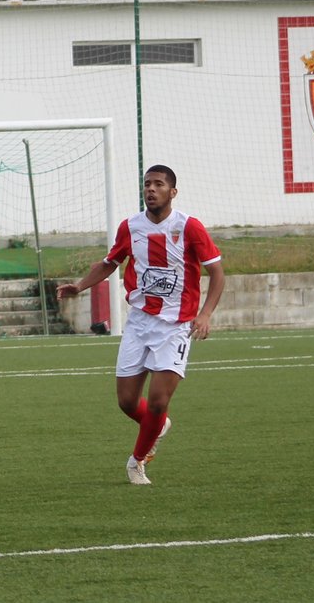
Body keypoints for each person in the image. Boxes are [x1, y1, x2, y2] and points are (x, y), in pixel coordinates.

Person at [56, 165, 224, 485]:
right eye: (147, 184)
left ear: (172, 192)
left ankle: (137, 462)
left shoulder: (189, 227)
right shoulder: (131, 227)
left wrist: (205, 314)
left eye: (158, 184)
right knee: (127, 401)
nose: (151, 189)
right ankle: (157, 425)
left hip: (175, 325)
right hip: (139, 322)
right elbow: (110, 263)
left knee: (159, 400)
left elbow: (217, 273)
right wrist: (79, 286)